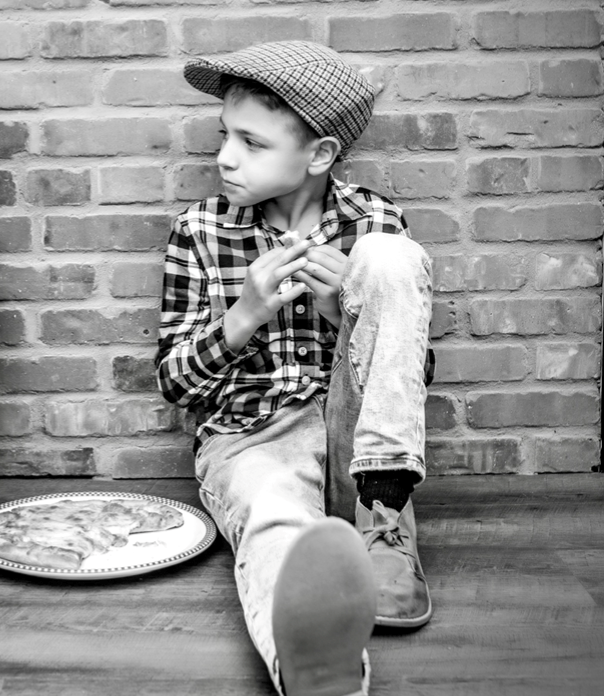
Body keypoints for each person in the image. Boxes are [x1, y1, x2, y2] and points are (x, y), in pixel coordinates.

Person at [156, 41, 435, 696]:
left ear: (318, 155)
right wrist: (244, 315)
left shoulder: (373, 221)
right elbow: (174, 383)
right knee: (275, 520)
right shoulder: (199, 230)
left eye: (251, 143)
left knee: (390, 257)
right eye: (225, 136)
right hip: (253, 439)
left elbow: (409, 373)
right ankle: (314, 663)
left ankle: (384, 512)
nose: (225, 157)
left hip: (359, 446)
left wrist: (343, 310)